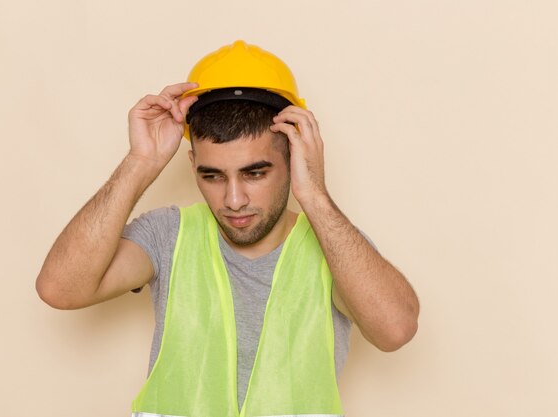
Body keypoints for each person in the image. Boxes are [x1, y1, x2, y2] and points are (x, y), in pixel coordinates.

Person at [36, 40, 420, 417]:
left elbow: (395, 330)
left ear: (293, 156)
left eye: (255, 173)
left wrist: (315, 195)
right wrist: (141, 162)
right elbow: (60, 289)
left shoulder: (335, 248)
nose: (233, 200)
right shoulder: (168, 235)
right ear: (192, 165)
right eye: (213, 175)